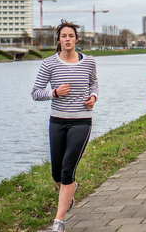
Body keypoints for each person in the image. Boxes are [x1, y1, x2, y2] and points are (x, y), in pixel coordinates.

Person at [31, 20, 98, 232]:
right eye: (63, 36)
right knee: (57, 174)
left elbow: (94, 83)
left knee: (68, 170)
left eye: (71, 36)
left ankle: (58, 221)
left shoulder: (89, 62)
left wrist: (94, 96)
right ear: (59, 40)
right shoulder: (49, 64)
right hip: (57, 121)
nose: (67, 39)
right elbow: (36, 93)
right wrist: (55, 93)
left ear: (76, 39)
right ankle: (70, 190)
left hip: (81, 121)